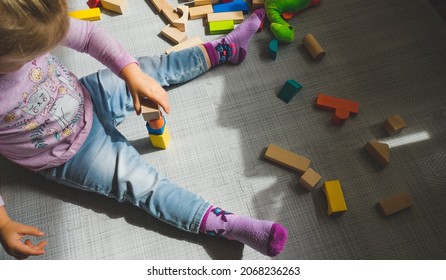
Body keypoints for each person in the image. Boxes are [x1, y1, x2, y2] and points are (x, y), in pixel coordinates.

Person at [0, 0, 287, 260]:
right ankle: (226, 226)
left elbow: (87, 36)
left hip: (86, 94)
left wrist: (131, 72)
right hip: (65, 152)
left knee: (152, 69)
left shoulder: (33, 19)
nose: (45, 54)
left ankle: (226, 49)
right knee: (143, 184)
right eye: (30, 58)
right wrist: (3, 223)